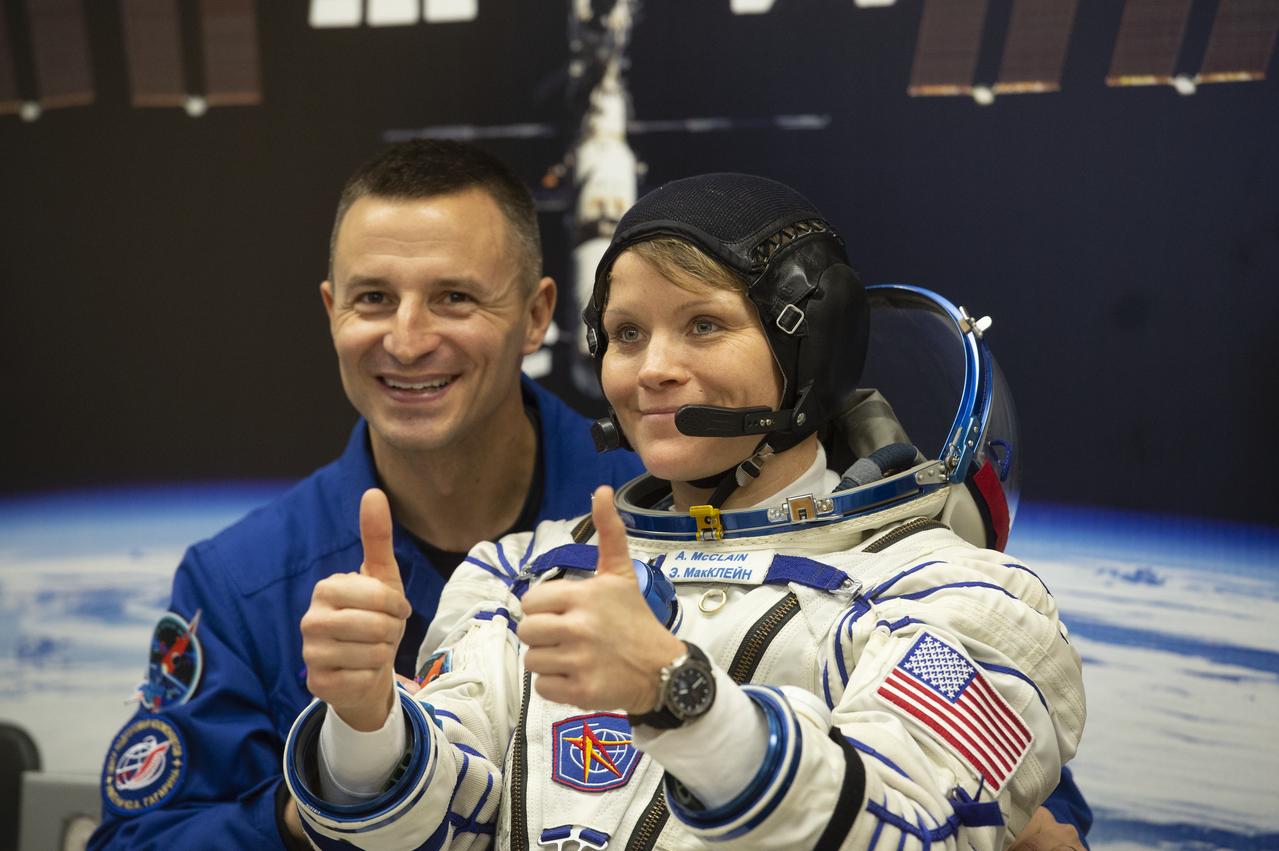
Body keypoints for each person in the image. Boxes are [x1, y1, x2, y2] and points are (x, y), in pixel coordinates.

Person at [285, 174, 1087, 849]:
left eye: (703, 325)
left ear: (809, 351)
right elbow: (449, 823)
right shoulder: (516, 576)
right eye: (626, 333)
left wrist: (681, 698)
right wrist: (365, 727)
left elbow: (907, 826)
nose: (653, 369)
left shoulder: (958, 599)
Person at [88, 141, 644, 850]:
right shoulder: (245, 583)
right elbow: (139, 839)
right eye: (373, 298)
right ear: (331, 311)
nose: (407, 342)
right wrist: (321, 800)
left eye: (454, 297)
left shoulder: (662, 518)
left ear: (536, 315)